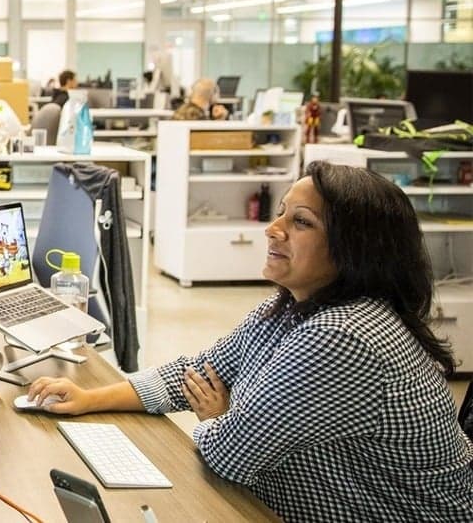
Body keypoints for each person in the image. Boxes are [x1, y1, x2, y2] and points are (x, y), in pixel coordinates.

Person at [25, 162, 473, 521]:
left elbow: (232, 456)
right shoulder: (290, 306)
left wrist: (221, 417)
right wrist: (91, 397)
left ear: (355, 248)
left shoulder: (344, 336)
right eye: (281, 212)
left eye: (301, 222)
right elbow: (198, 372)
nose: (272, 229)